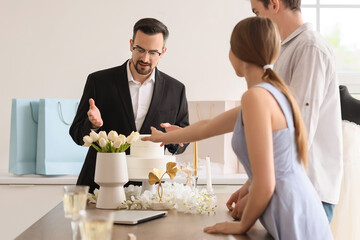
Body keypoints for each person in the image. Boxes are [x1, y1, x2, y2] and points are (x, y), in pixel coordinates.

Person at [143, 17, 332, 239]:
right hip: (296, 205)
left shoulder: (256, 97)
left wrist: (241, 226)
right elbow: (209, 126)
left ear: (240, 53)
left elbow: (266, 183)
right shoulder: (268, 93)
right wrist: (163, 137)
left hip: (292, 211)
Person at [233, 0, 343, 223]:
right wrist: (251, 184)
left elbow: (298, 131)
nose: (256, 20)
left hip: (309, 190)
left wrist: (257, 192)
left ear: (274, 4)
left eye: (257, 12)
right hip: (291, 188)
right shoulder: (287, 49)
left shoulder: (310, 48)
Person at [70, 18, 189, 193]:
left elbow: (180, 142)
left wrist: (178, 139)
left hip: (149, 191)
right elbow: (77, 134)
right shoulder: (99, 82)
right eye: (140, 49)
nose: (145, 58)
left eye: (153, 52)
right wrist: (93, 125)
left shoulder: (176, 89)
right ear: (131, 44)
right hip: (100, 186)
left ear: (163, 52)